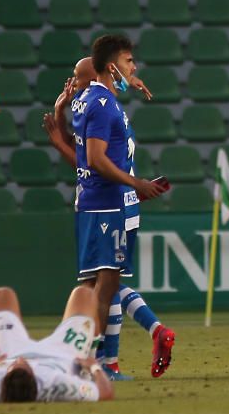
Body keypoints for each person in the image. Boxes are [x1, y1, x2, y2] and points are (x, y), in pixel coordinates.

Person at [45, 57, 176, 379]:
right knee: (109, 281)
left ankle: (105, 361)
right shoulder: (94, 103)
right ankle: (153, 331)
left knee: (103, 282)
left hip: (109, 200)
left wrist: (58, 137)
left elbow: (87, 162)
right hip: (116, 198)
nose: (73, 83)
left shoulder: (95, 104)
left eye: (77, 77)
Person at [0, 285, 114, 404]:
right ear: (34, 377)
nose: (21, 361)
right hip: (61, 357)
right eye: (24, 366)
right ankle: (85, 376)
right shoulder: (58, 384)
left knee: (0, 295)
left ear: (2, 381)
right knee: (85, 295)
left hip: (6, 356)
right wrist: (94, 367)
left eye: (16, 366)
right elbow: (105, 393)